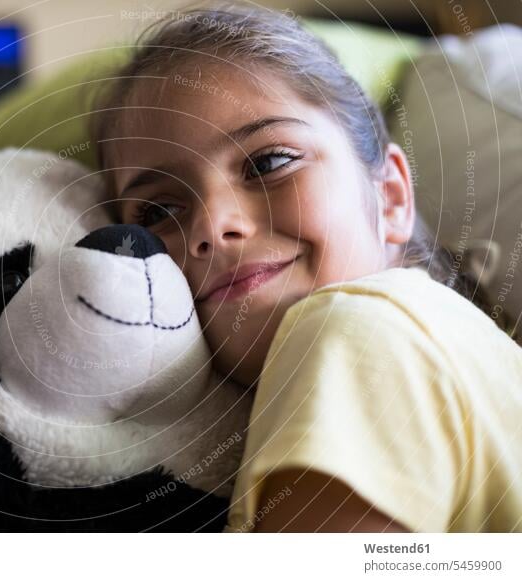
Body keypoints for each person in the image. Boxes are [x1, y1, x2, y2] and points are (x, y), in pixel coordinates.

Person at [89, 4, 522, 532]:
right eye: (157, 211)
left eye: (269, 162)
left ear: (389, 197)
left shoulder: (358, 326)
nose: (213, 224)